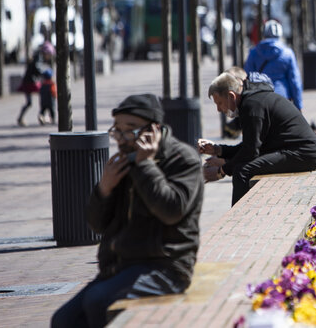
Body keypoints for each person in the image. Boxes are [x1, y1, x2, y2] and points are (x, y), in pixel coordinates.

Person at [51, 94, 203, 328]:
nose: (122, 139)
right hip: (120, 266)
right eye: (117, 130)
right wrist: (104, 189)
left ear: (154, 129)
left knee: (98, 301)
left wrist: (145, 166)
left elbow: (172, 210)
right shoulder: (123, 161)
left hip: (165, 266)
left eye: (130, 129)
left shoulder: (182, 159)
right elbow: (97, 225)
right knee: (63, 320)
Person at [201, 72, 316, 205]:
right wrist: (218, 150)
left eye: (219, 103)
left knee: (242, 171)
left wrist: (221, 171)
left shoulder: (252, 106)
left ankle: (239, 218)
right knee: (242, 167)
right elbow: (251, 146)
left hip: (304, 153)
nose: (219, 109)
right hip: (299, 151)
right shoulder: (254, 99)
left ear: (231, 96)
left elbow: (250, 152)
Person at [243, 20, 303, 111]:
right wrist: (298, 105)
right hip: (283, 98)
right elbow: (295, 81)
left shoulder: (254, 52)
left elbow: (247, 77)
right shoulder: (287, 53)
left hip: (260, 98)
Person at [16, 42, 52, 126]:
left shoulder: (37, 57)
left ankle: (21, 118)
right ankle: (42, 115)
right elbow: (37, 68)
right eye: (49, 55)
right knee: (45, 96)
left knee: (30, 102)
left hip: (29, 82)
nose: (49, 57)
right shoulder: (38, 58)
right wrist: (44, 73)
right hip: (31, 83)